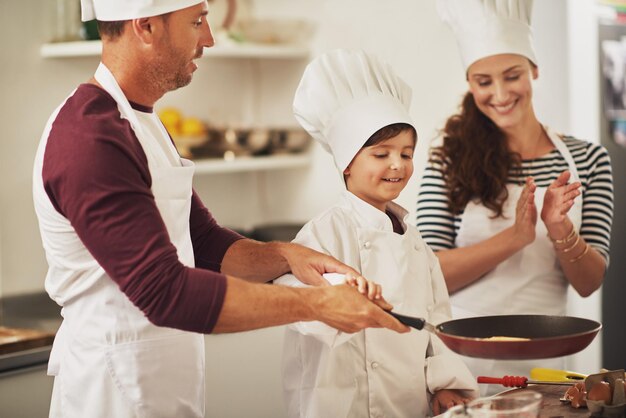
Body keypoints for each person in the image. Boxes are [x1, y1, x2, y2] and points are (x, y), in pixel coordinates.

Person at [32, 2, 408, 417]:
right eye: (196, 22)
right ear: (146, 27)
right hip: (111, 392)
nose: (208, 38)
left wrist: (287, 256)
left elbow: (204, 242)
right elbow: (165, 293)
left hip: (159, 384)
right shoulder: (91, 136)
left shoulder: (143, 123)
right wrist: (317, 305)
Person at [416, 0, 614, 394]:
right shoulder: (449, 159)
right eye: (483, 81)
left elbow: (589, 283)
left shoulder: (589, 159)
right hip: (456, 359)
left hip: (543, 361)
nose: (501, 93)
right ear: (469, 83)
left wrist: (559, 229)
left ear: (534, 70)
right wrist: (515, 238)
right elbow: (427, 274)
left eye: (512, 75)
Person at [274, 49, 479, 418]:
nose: (397, 165)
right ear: (347, 163)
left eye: (406, 152)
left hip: (407, 400)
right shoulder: (324, 232)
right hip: (340, 401)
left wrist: (445, 384)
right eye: (381, 154)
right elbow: (292, 300)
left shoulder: (414, 242)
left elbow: (437, 322)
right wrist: (338, 293)